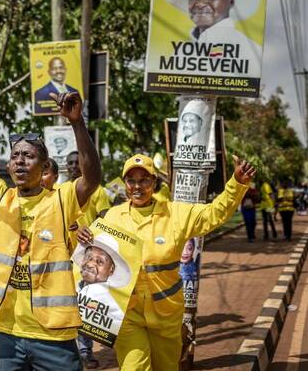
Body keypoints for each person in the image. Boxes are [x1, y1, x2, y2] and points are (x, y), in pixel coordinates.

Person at [0, 80, 101, 371]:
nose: (20, 161)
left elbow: (92, 179)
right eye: (15, 156)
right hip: (6, 333)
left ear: (45, 166)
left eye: (29, 156)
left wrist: (77, 123)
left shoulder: (61, 199)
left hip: (53, 333)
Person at [77, 153, 255, 370]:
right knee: (133, 367)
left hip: (166, 313)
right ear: (125, 184)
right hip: (127, 313)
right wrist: (80, 235)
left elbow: (213, 214)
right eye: (131, 181)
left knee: (166, 367)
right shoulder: (112, 217)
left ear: (154, 182)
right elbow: (89, 253)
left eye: (144, 180)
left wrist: (237, 184)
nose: (137, 186)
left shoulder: (176, 214)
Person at [66, 150, 111, 369]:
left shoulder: (98, 191)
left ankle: (85, 351)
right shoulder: (60, 192)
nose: (74, 166)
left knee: (85, 305)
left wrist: (92, 235)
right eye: (71, 163)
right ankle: (69, 352)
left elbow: (105, 219)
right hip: (64, 258)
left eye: (78, 162)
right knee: (67, 306)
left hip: (88, 259)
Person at [74, 234, 130, 334]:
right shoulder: (74, 286)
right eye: (88, 257)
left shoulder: (112, 309)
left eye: (99, 261)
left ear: (111, 269)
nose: (90, 264)